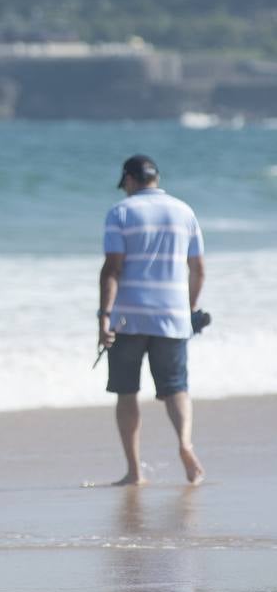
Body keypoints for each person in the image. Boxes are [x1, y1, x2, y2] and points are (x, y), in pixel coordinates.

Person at [98, 155, 205, 486]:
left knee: (127, 392)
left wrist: (104, 316)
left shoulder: (121, 212)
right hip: (172, 318)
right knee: (177, 389)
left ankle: (134, 471)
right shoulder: (184, 212)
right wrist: (186, 310)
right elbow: (198, 269)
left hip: (128, 318)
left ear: (130, 180)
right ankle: (185, 445)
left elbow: (112, 269)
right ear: (156, 178)